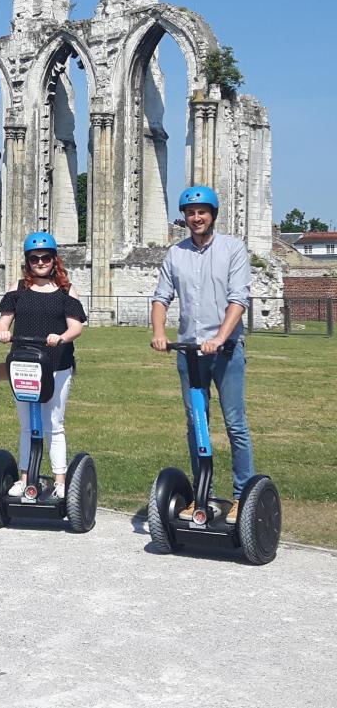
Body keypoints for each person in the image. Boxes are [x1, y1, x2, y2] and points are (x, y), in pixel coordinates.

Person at [150, 185, 254, 524]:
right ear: (184, 217)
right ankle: (203, 496)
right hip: (189, 352)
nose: (196, 218)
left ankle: (241, 497)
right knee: (196, 425)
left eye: (202, 212)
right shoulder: (176, 254)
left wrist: (220, 337)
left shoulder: (232, 249)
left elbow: (239, 299)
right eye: (191, 213)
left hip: (226, 353)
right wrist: (159, 333)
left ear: (213, 214)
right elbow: (161, 297)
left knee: (235, 425)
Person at [0, 232, 87, 499]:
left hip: (57, 364)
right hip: (24, 364)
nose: (40, 262)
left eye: (45, 257)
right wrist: (2, 331)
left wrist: (61, 337)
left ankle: (60, 480)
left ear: (54, 259)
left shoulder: (66, 290)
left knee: (54, 423)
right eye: (34, 258)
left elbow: (76, 327)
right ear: (28, 261)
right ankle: (25, 478)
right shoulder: (18, 289)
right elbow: (3, 320)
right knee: (27, 424)